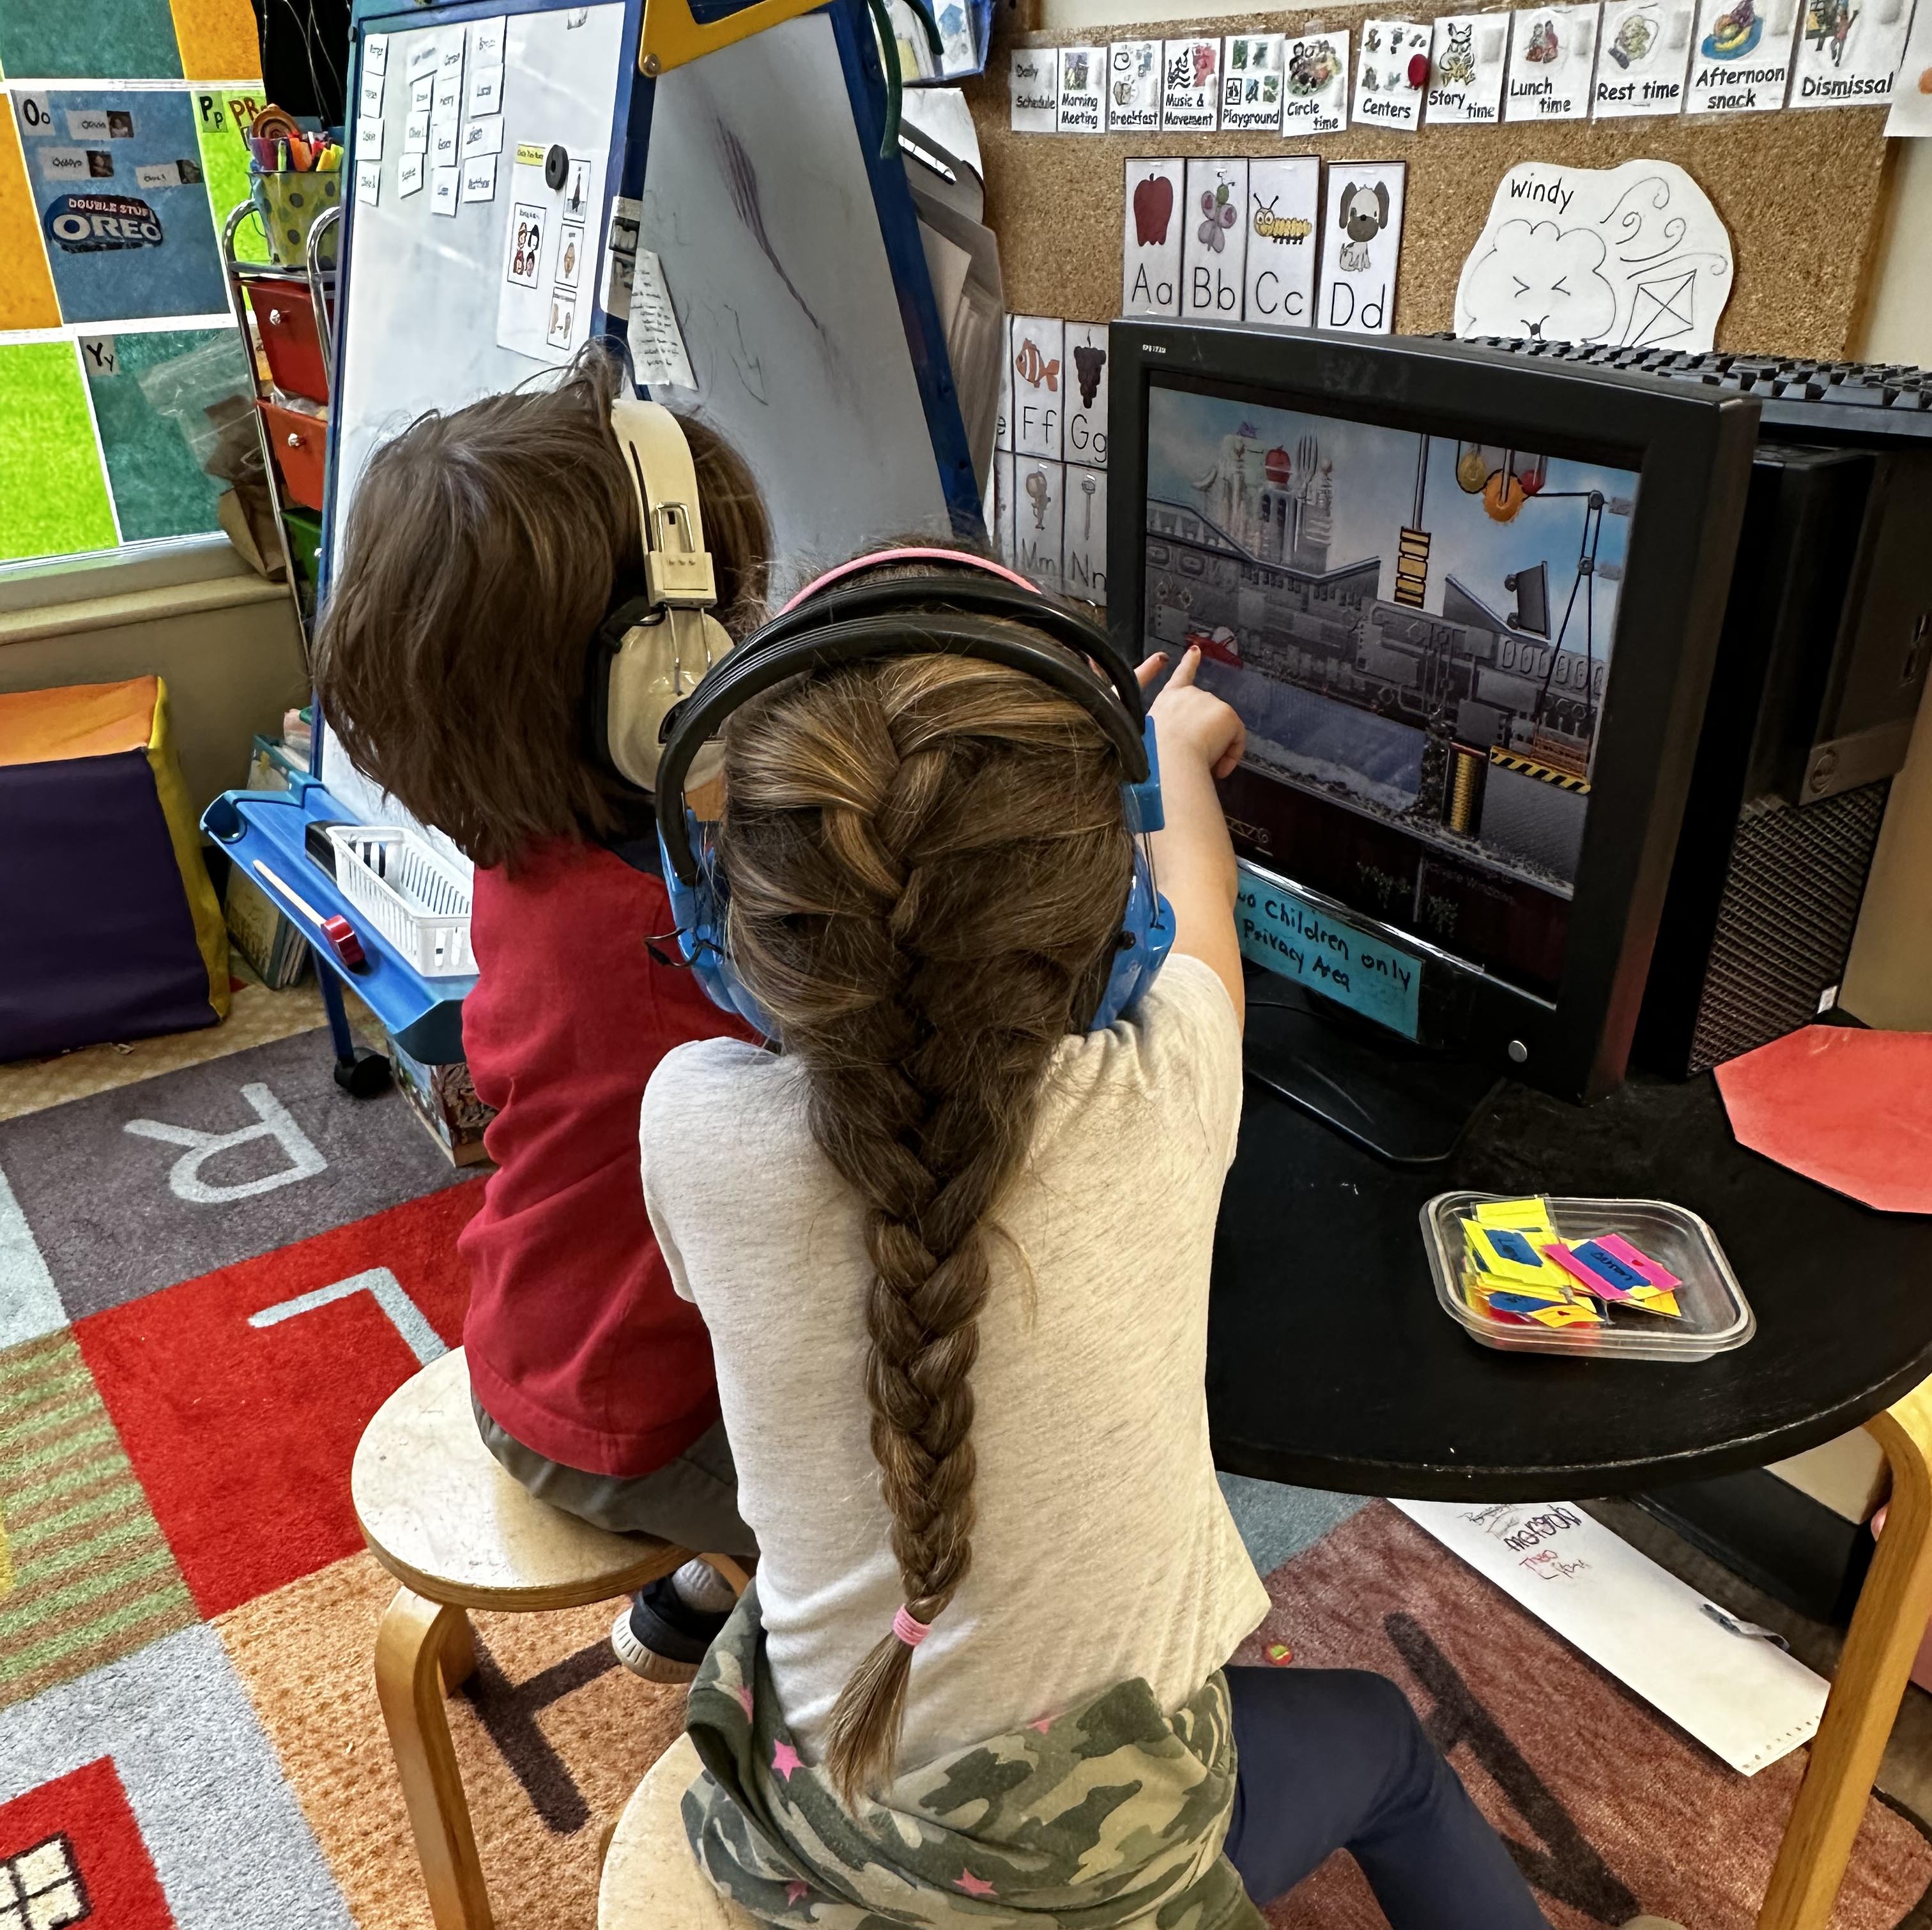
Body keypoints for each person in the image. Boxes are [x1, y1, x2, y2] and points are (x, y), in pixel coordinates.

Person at [636, 550, 1556, 1926]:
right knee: (1383, 1737)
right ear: (1112, 933)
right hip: (1103, 1886)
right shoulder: (1164, 1088)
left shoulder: (690, 1126)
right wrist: (1170, 749)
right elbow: (1202, 897)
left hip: (814, 1843)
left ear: (724, 924)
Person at [313, 348, 764, 1679]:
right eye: (727, 616)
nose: (747, 648)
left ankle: (692, 1593)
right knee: (920, 1492)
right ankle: (784, 1718)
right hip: (637, 1414)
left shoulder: (539, 859)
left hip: (542, 1341)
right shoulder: (658, 947)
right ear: (652, 689)